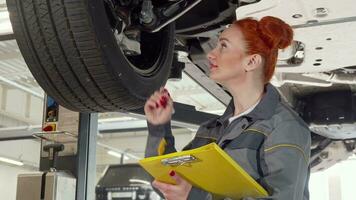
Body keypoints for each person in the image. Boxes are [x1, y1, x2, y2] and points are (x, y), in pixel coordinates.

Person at [144, 16, 311, 200]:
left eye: (223, 46)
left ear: (251, 62)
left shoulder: (284, 127)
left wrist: (196, 197)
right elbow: (170, 183)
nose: (210, 54)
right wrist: (158, 126)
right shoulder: (211, 130)